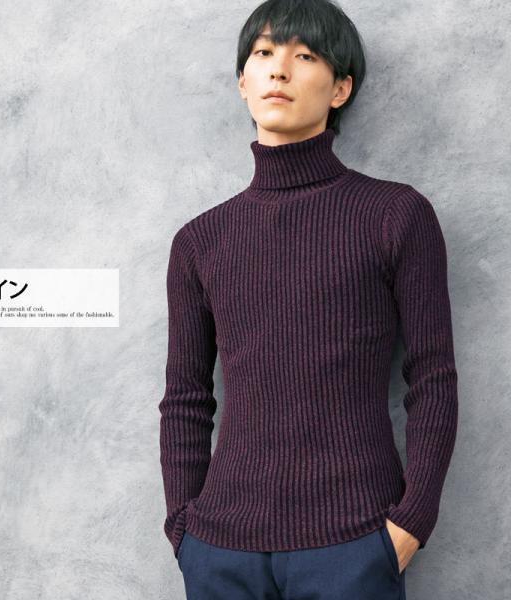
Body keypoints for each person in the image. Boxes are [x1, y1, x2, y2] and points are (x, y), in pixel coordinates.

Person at [158, 0, 459, 598]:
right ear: (242, 81)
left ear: (340, 88)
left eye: (305, 56)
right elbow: (186, 398)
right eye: (264, 53)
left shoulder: (395, 215)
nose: (279, 69)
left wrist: (409, 525)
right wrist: (184, 531)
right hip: (219, 551)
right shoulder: (200, 240)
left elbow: (433, 378)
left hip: (355, 543)